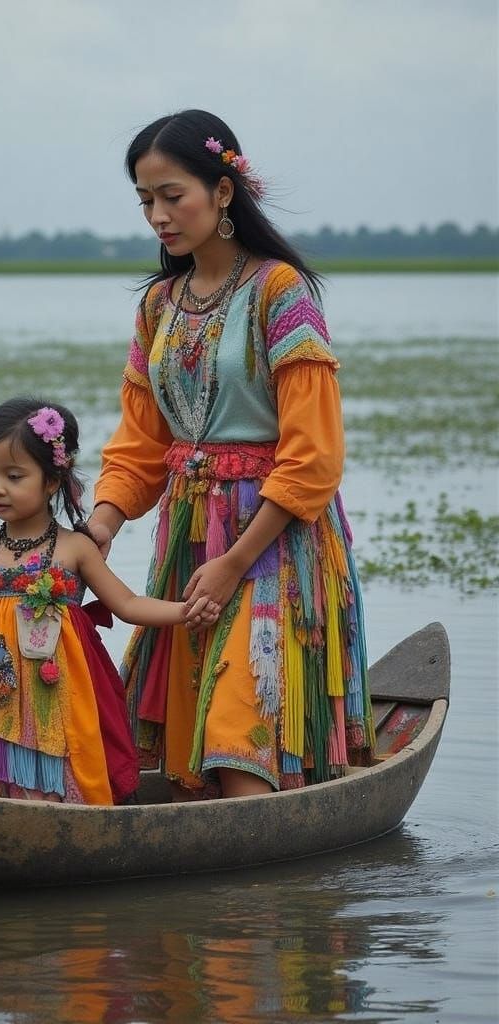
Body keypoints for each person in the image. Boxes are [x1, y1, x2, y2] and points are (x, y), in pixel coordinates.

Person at [87, 109, 373, 801]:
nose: (158, 215)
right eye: (145, 200)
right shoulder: (158, 305)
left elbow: (312, 456)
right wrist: (95, 531)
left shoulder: (280, 292)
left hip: (272, 543)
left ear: (223, 192)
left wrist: (235, 561)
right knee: (191, 757)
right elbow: (139, 446)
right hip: (188, 541)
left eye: (172, 195)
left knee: (239, 731)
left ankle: (248, 892)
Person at [0, 396, 218, 806]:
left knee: (54, 785)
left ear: (51, 481)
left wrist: (186, 612)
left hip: (56, 706)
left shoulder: (75, 549)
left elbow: (128, 604)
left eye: (14, 476)